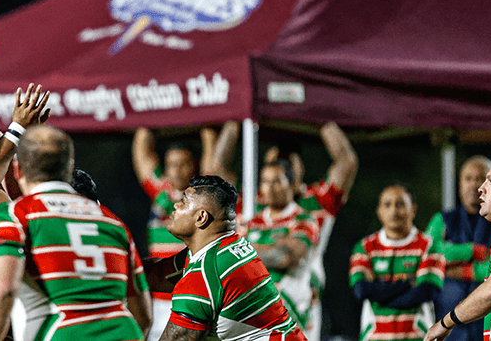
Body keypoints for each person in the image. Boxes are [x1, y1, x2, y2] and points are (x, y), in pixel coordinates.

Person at [0, 124, 152, 341]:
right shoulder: (112, 222)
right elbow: (144, 316)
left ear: (18, 170)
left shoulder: (15, 216)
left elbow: (3, 291)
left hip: (63, 333)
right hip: (125, 333)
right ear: (70, 168)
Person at [209, 121, 358, 341]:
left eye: (287, 163)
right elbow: (217, 172)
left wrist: (319, 116)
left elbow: (347, 162)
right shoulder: (252, 205)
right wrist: (235, 119)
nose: (278, 169)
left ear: (298, 168)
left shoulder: (315, 203)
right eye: (272, 164)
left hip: (298, 299)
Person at [146, 175, 306, 341]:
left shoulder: (206, 274)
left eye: (183, 202)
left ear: (201, 217)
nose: (175, 205)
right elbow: (156, 274)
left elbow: (176, 337)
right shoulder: (227, 246)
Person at [424, 155, 491, 341]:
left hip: (474, 320)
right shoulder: (444, 219)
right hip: (457, 324)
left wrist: (446, 322)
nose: (478, 187)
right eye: (468, 178)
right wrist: (471, 252)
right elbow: (426, 256)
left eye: (488, 180)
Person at [350, 184, 444, 340]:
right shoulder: (365, 247)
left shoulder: (429, 245)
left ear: (413, 209)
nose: (393, 210)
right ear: (378, 211)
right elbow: (361, 290)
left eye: (400, 204)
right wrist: (407, 283)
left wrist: (379, 293)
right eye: (387, 205)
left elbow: (426, 291)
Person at [132, 129, 200, 341]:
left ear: (195, 166)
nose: (177, 170)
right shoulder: (161, 192)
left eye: (183, 164)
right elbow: (142, 152)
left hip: (190, 301)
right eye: (171, 165)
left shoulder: (204, 199)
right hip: (159, 301)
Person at [243, 160, 320, 333]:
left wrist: (246, 250)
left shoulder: (304, 220)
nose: (269, 188)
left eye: (277, 181)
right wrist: (271, 247)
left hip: (291, 309)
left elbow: (285, 257)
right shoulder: (252, 222)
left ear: (292, 185)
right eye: (265, 181)